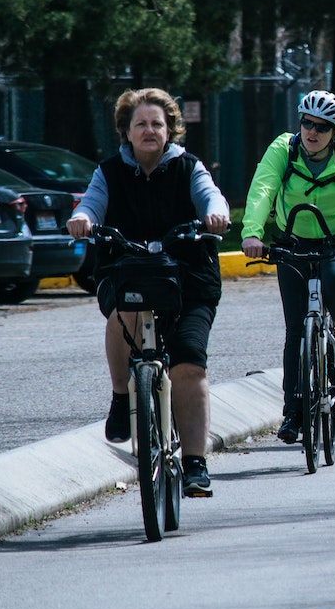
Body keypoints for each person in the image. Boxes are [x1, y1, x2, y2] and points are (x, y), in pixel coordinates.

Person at [68, 88, 230, 497]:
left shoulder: (188, 167)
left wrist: (216, 214)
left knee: (188, 365)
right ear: (126, 130)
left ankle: (195, 463)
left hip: (189, 280)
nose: (149, 130)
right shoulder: (109, 171)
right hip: (127, 273)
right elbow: (91, 203)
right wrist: (82, 219)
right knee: (123, 315)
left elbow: (211, 195)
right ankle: (122, 397)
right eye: (140, 123)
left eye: (157, 123)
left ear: (171, 129)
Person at [241, 90, 335, 443]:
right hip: (293, 241)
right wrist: (252, 233)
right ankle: (292, 412)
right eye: (307, 123)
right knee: (295, 331)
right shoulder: (284, 150)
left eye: (322, 126)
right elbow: (263, 188)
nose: (312, 131)